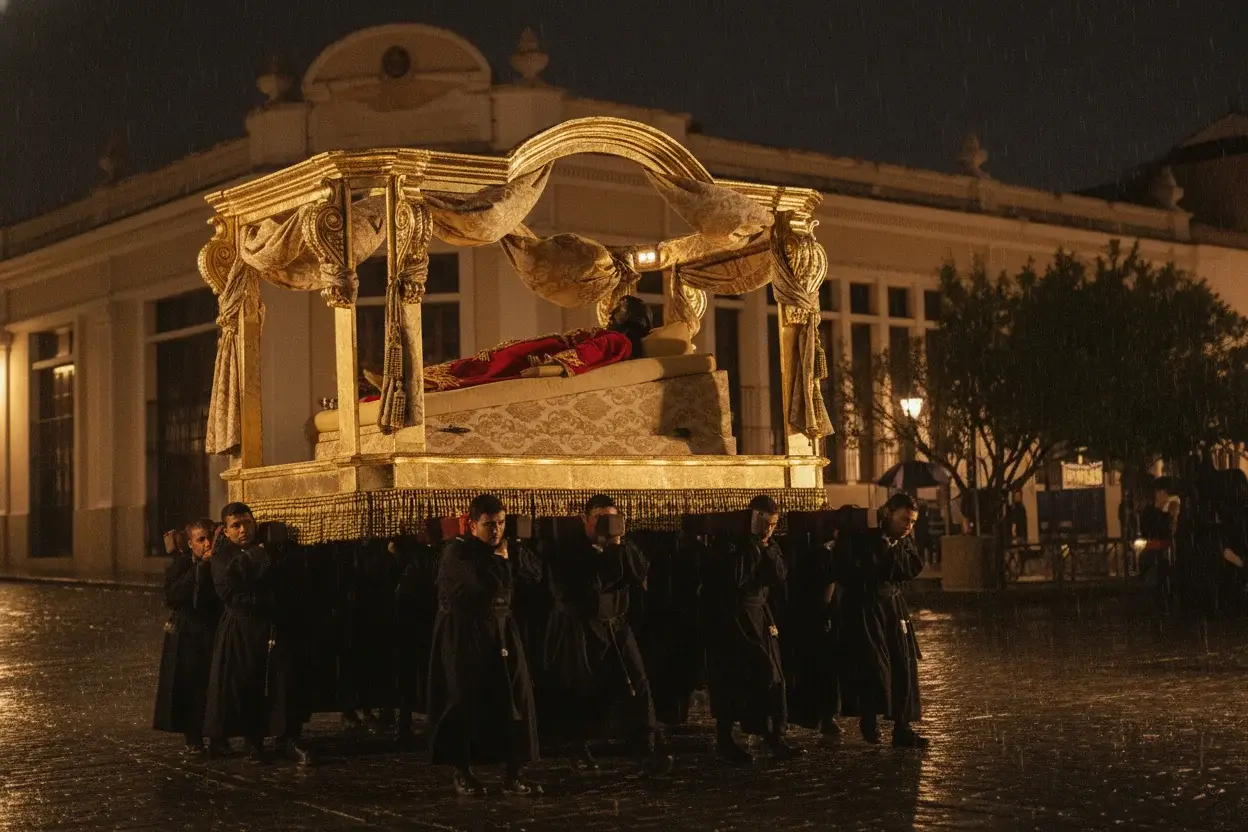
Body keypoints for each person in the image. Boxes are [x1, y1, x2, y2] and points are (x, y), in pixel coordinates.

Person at [541, 494, 673, 775]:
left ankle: (645, 747)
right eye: (600, 519)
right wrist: (605, 553)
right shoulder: (567, 549)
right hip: (579, 627)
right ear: (587, 520)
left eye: (612, 518)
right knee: (580, 687)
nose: (606, 524)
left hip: (615, 624)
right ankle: (578, 747)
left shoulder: (623, 547)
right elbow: (588, 586)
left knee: (636, 680)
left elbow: (638, 575)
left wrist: (617, 546)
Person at [426, 494, 543, 796]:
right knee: (464, 698)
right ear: (473, 524)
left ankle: (515, 772)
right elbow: (486, 583)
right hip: (465, 632)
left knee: (516, 695)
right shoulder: (458, 553)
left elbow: (533, 576)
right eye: (489, 525)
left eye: (501, 523)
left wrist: (515, 551)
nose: (496, 530)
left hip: (502, 629)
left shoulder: (505, 548)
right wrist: (502, 560)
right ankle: (462, 770)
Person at [203, 503, 314, 765]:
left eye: (247, 523)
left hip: (274, 628)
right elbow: (231, 592)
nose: (243, 530)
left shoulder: (273, 551)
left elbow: (287, 584)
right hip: (242, 631)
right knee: (247, 683)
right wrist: (259, 567)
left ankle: (288, 738)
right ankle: (253, 741)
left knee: (282, 683)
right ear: (226, 531)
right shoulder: (222, 558)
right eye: (236, 526)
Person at [702, 495, 804, 764]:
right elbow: (733, 579)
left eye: (773, 524)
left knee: (775, 675)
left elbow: (779, 576)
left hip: (760, 614)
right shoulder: (731, 544)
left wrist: (767, 549)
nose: (769, 529)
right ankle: (726, 738)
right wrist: (752, 546)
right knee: (733, 678)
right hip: (733, 617)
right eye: (765, 523)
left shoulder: (769, 544)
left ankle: (775, 735)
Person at [833, 492, 927, 748]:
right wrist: (884, 547)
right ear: (888, 514)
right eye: (904, 520)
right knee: (874, 665)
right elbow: (863, 569)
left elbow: (910, 568)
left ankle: (902, 726)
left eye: (913, 522)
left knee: (903, 664)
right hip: (868, 606)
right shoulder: (865, 538)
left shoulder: (903, 540)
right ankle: (870, 718)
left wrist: (895, 548)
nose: (908, 526)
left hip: (893, 606)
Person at [422, 295, 653, 392]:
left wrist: (544, 369)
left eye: (619, 309)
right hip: (520, 355)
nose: (611, 312)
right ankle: (410, 382)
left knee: (471, 376)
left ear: (635, 319)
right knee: (467, 367)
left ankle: (415, 385)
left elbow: (586, 355)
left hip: (531, 361)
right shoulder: (612, 335)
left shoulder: (618, 340)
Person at [152, 518, 225, 755]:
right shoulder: (182, 565)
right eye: (201, 539)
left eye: (210, 538)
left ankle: (218, 736)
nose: (207, 544)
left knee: (215, 684)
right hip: (189, 634)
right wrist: (201, 568)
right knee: (190, 684)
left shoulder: (222, 561)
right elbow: (174, 594)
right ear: (191, 543)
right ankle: (193, 737)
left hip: (214, 629)